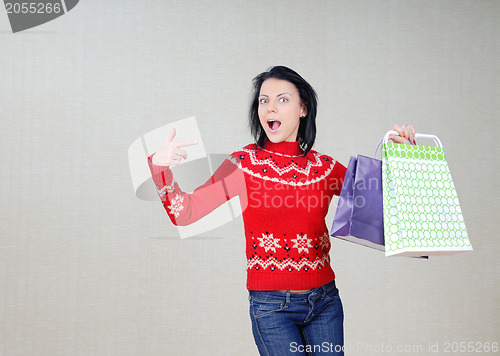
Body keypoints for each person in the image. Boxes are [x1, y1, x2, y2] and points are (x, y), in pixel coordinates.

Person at [148, 66, 415, 355]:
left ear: (303, 108)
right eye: (264, 100)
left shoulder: (323, 168)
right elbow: (185, 212)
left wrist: (404, 154)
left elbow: (383, 205)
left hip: (325, 301)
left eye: (282, 99)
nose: (270, 107)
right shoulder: (243, 164)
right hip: (271, 307)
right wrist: (159, 168)